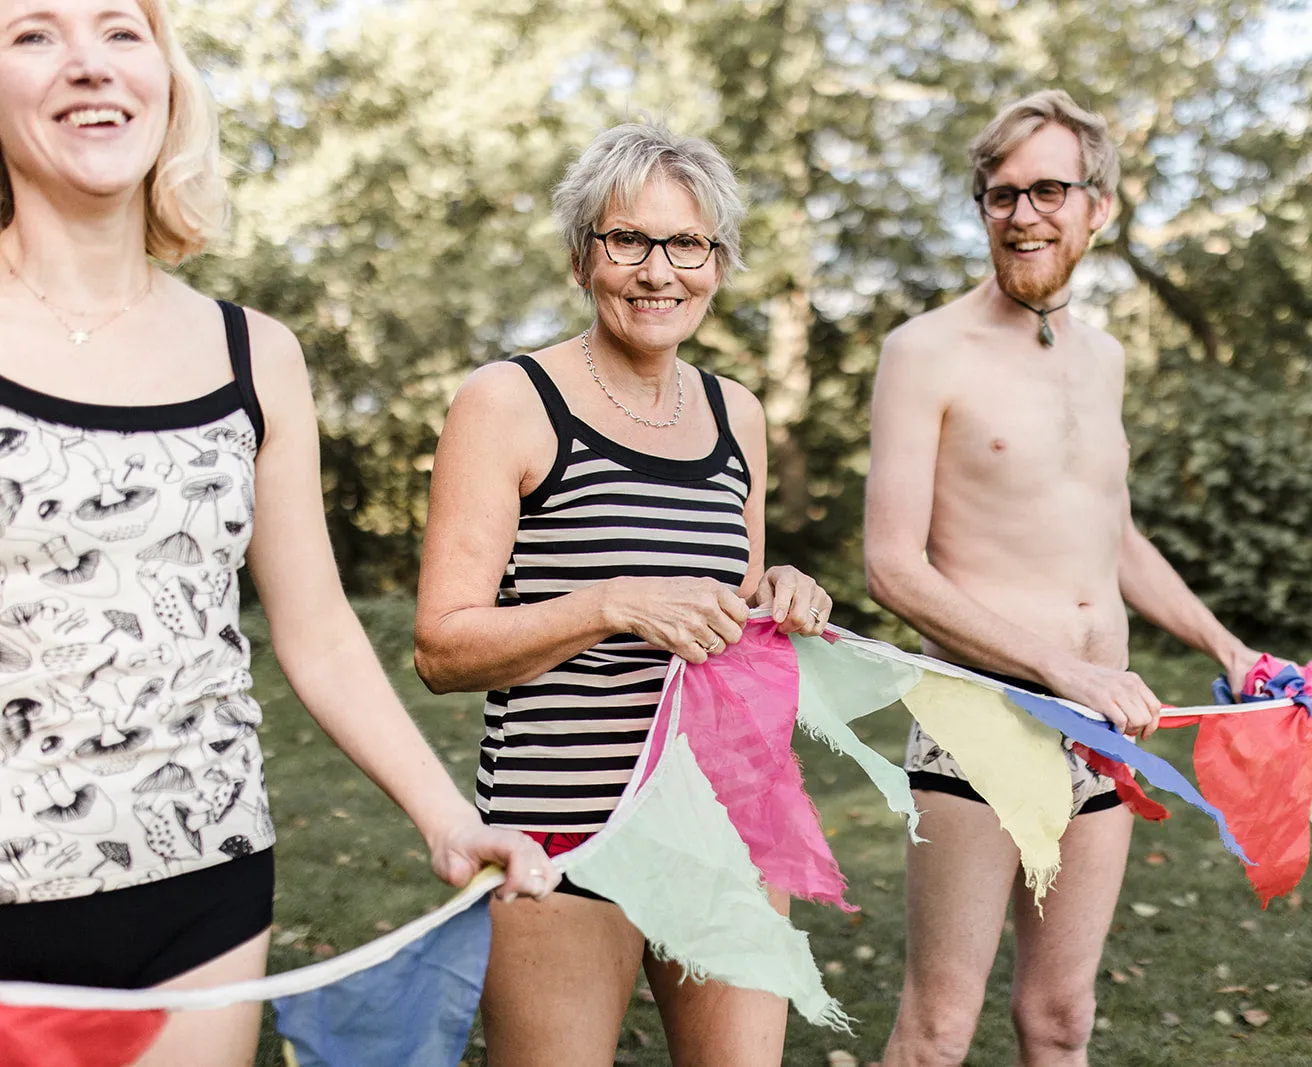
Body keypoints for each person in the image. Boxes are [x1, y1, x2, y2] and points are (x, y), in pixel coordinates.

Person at [0, 1, 554, 1062]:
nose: (87, 63)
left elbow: (319, 627)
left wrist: (446, 817)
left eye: (121, 30)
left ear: (165, 77)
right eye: (33, 33)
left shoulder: (256, 354)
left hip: (202, 884)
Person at [413, 121, 833, 1067]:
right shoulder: (508, 401)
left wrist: (780, 593)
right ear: (581, 256)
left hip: (726, 818)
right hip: (560, 830)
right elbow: (441, 648)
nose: (658, 271)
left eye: (687, 244)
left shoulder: (739, 416)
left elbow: (727, 611)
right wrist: (610, 602)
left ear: (717, 262)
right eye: (626, 240)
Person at [863, 89, 1265, 1066]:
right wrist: (1061, 668)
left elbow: (1110, 534)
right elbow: (890, 566)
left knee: (1059, 1019)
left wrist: (1225, 645)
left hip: (1107, 730)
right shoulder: (923, 352)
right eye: (1000, 195)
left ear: (1099, 207)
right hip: (984, 717)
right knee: (935, 1030)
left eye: (1048, 189)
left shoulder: (1104, 357)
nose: (1022, 214)